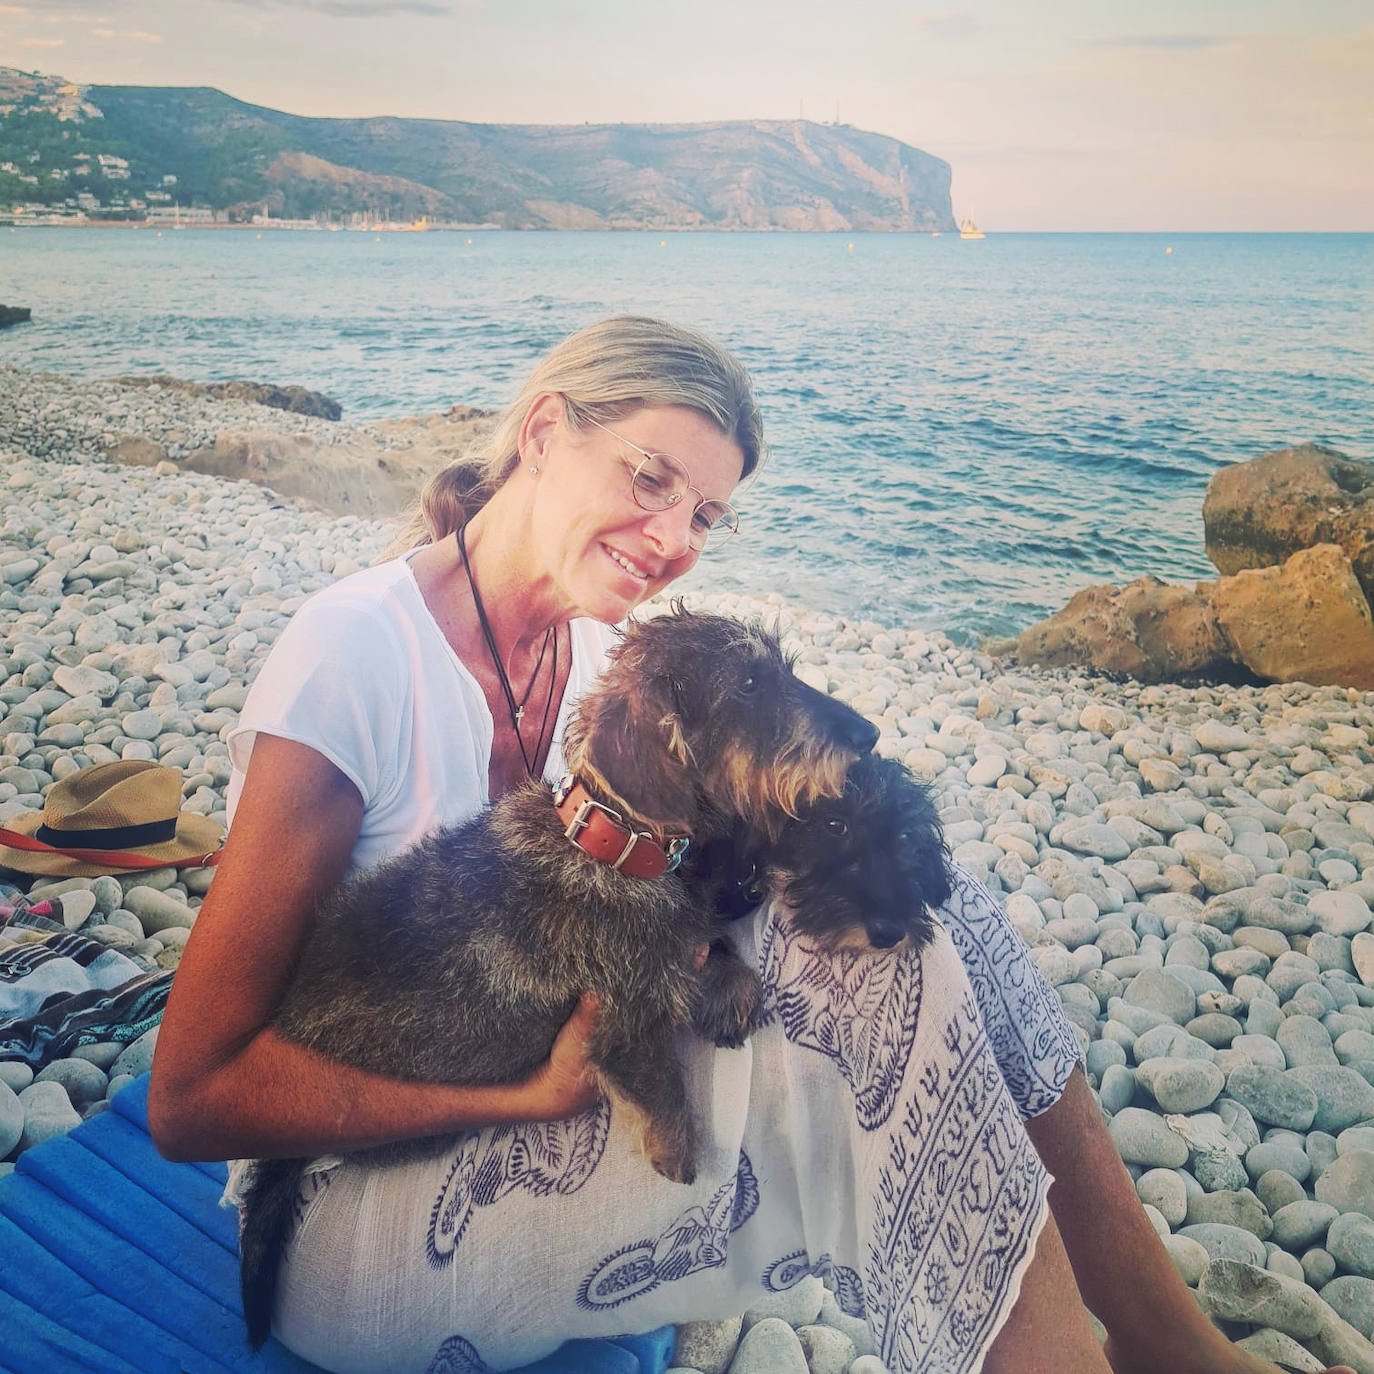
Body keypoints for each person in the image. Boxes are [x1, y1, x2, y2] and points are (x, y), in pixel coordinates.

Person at [148, 317, 1352, 1374]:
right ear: (546, 430)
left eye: (705, 515)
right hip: (341, 1229)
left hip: (531, 1093)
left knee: (938, 921)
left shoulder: (579, 654)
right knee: (865, 1050)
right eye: (650, 476)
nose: (675, 537)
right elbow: (193, 1098)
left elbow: (616, 913)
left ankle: (1156, 1338)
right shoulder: (351, 656)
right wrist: (513, 1094)